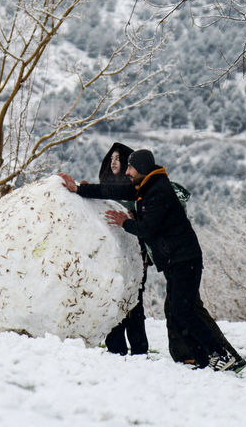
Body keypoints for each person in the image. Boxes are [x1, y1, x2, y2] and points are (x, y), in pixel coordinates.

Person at [59, 149, 243, 372]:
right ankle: (205, 359)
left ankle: (220, 355)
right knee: (179, 311)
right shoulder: (145, 186)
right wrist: (79, 189)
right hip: (176, 260)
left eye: (130, 167)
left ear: (141, 169)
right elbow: (112, 189)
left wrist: (123, 222)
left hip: (185, 260)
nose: (127, 172)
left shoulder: (158, 192)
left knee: (183, 310)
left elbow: (148, 229)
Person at [92, 143, 149, 356]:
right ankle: (115, 347)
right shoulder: (105, 187)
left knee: (133, 301)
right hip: (111, 253)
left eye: (118, 158)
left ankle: (139, 347)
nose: (114, 162)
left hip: (135, 253)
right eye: (111, 158)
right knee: (112, 298)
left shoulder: (134, 190)